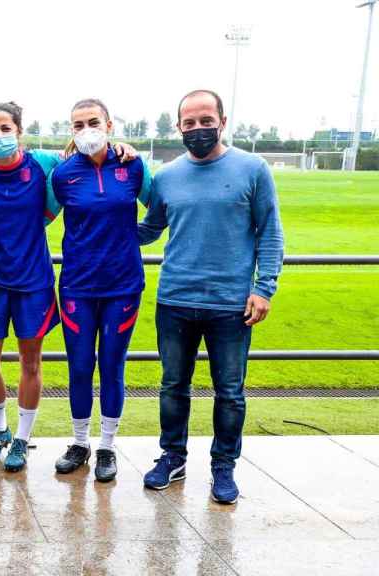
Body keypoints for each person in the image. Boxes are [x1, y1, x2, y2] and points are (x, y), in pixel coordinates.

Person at [140, 89, 283, 504]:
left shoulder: (252, 169)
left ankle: (223, 465)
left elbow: (270, 231)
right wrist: (102, 233)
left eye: (206, 120)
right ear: (178, 126)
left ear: (222, 121)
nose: (198, 128)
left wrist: (264, 287)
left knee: (231, 392)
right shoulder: (166, 177)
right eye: (190, 122)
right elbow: (150, 229)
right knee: (172, 386)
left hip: (230, 304)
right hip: (175, 300)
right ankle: (173, 455)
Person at [48, 98, 152, 482]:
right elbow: (44, 211)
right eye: (78, 125)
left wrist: (133, 237)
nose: (86, 130)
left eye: (93, 122)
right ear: (71, 132)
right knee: (78, 367)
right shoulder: (63, 175)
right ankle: (80, 443)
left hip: (123, 285)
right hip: (77, 285)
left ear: (109, 124)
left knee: (112, 365)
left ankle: (107, 447)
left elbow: (158, 209)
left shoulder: (132, 165)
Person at [0, 102, 62, 473]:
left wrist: (127, 150)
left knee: (30, 362)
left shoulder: (42, 163)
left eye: (4, 128)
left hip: (33, 280)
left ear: (19, 130)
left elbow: (77, 159)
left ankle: (23, 439)